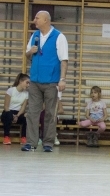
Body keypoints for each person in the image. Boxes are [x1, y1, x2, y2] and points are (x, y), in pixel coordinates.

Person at [23, 11, 68, 152]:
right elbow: (27, 55)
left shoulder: (59, 37)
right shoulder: (34, 35)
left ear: (46, 20)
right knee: (32, 113)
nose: (34, 20)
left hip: (51, 82)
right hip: (35, 80)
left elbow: (64, 60)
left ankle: (48, 142)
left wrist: (62, 79)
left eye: (37, 18)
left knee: (50, 113)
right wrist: (31, 51)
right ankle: (31, 142)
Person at [3, 73, 30, 145]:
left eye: (29, 83)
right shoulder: (11, 90)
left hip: (18, 113)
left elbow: (23, 108)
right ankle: (6, 137)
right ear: (21, 81)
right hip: (8, 112)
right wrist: (12, 115)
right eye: (27, 83)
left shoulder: (26, 94)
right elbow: (6, 107)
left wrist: (17, 116)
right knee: (8, 116)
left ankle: (23, 137)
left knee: (26, 118)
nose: (28, 85)